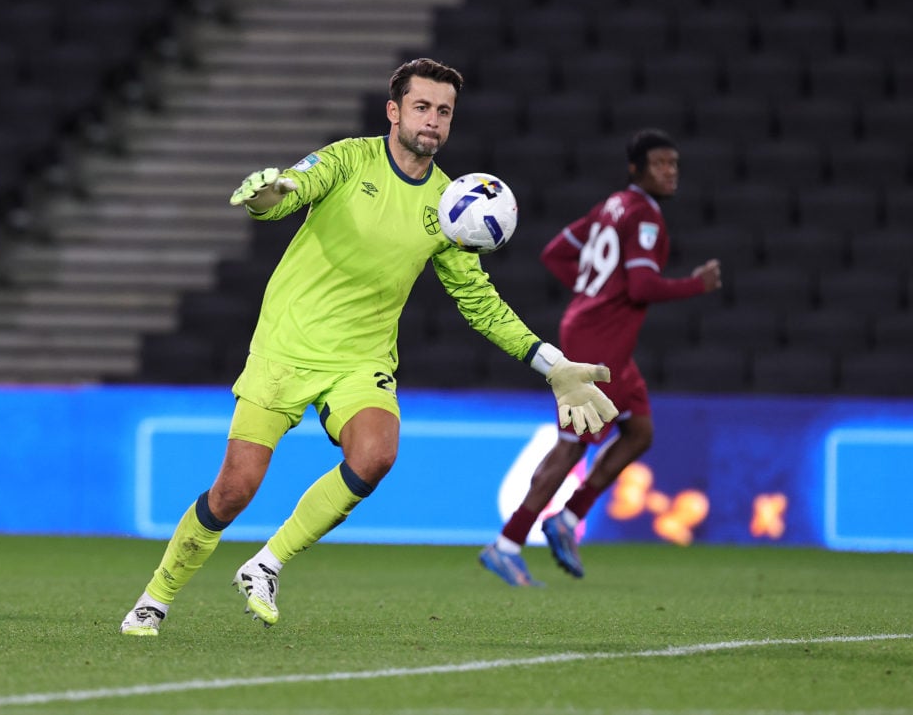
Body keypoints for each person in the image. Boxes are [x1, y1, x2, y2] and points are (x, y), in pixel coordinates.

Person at [119, 58, 618, 635]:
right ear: (394, 111)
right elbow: (290, 191)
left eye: (444, 111)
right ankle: (154, 598)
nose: (432, 121)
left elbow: (478, 302)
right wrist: (265, 197)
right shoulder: (349, 158)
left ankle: (267, 564)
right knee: (234, 490)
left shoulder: (451, 206)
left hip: (362, 361)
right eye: (422, 107)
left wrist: (551, 363)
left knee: (377, 453)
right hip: (286, 348)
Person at [479, 128, 722, 587]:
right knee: (571, 445)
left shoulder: (611, 206)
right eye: (660, 164)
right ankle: (506, 545)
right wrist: (696, 284)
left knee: (639, 431)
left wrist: (595, 291)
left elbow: (556, 254)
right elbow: (642, 287)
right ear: (635, 169)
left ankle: (568, 519)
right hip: (598, 342)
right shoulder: (645, 216)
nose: (670, 172)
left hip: (603, 337)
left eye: (674, 164)